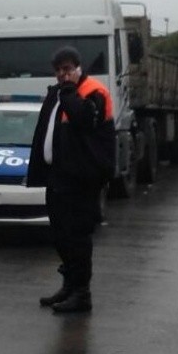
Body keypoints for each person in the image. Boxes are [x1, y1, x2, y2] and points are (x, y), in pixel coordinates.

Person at [27, 46, 116, 313]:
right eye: (58, 70)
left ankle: (82, 293)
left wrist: (67, 91)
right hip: (58, 176)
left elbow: (83, 119)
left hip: (82, 177)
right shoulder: (57, 94)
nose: (63, 75)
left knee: (77, 237)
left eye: (67, 69)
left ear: (78, 68)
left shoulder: (92, 92)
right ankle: (69, 285)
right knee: (60, 235)